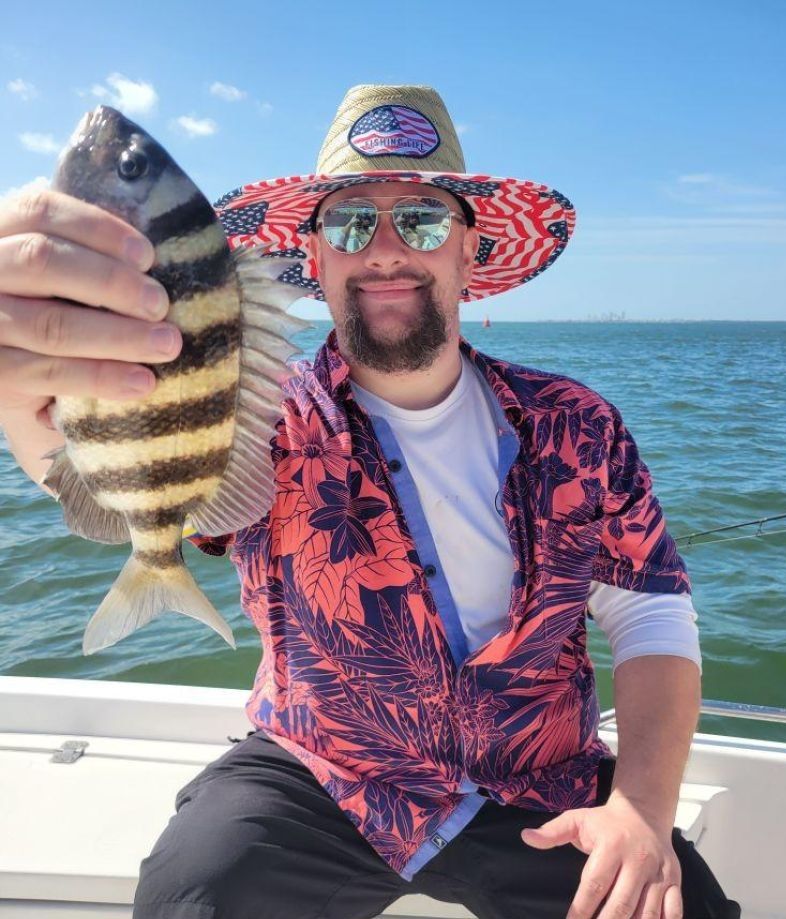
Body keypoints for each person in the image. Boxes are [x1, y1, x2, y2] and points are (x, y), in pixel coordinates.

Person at [0, 84, 740, 918]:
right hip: (323, 776)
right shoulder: (260, 414)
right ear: (315, 260)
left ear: (469, 253)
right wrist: (29, 390)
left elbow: (653, 618)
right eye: (352, 223)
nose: (386, 248)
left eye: (421, 220)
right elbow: (94, 457)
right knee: (191, 888)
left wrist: (640, 810)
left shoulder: (577, 425)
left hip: (540, 787)